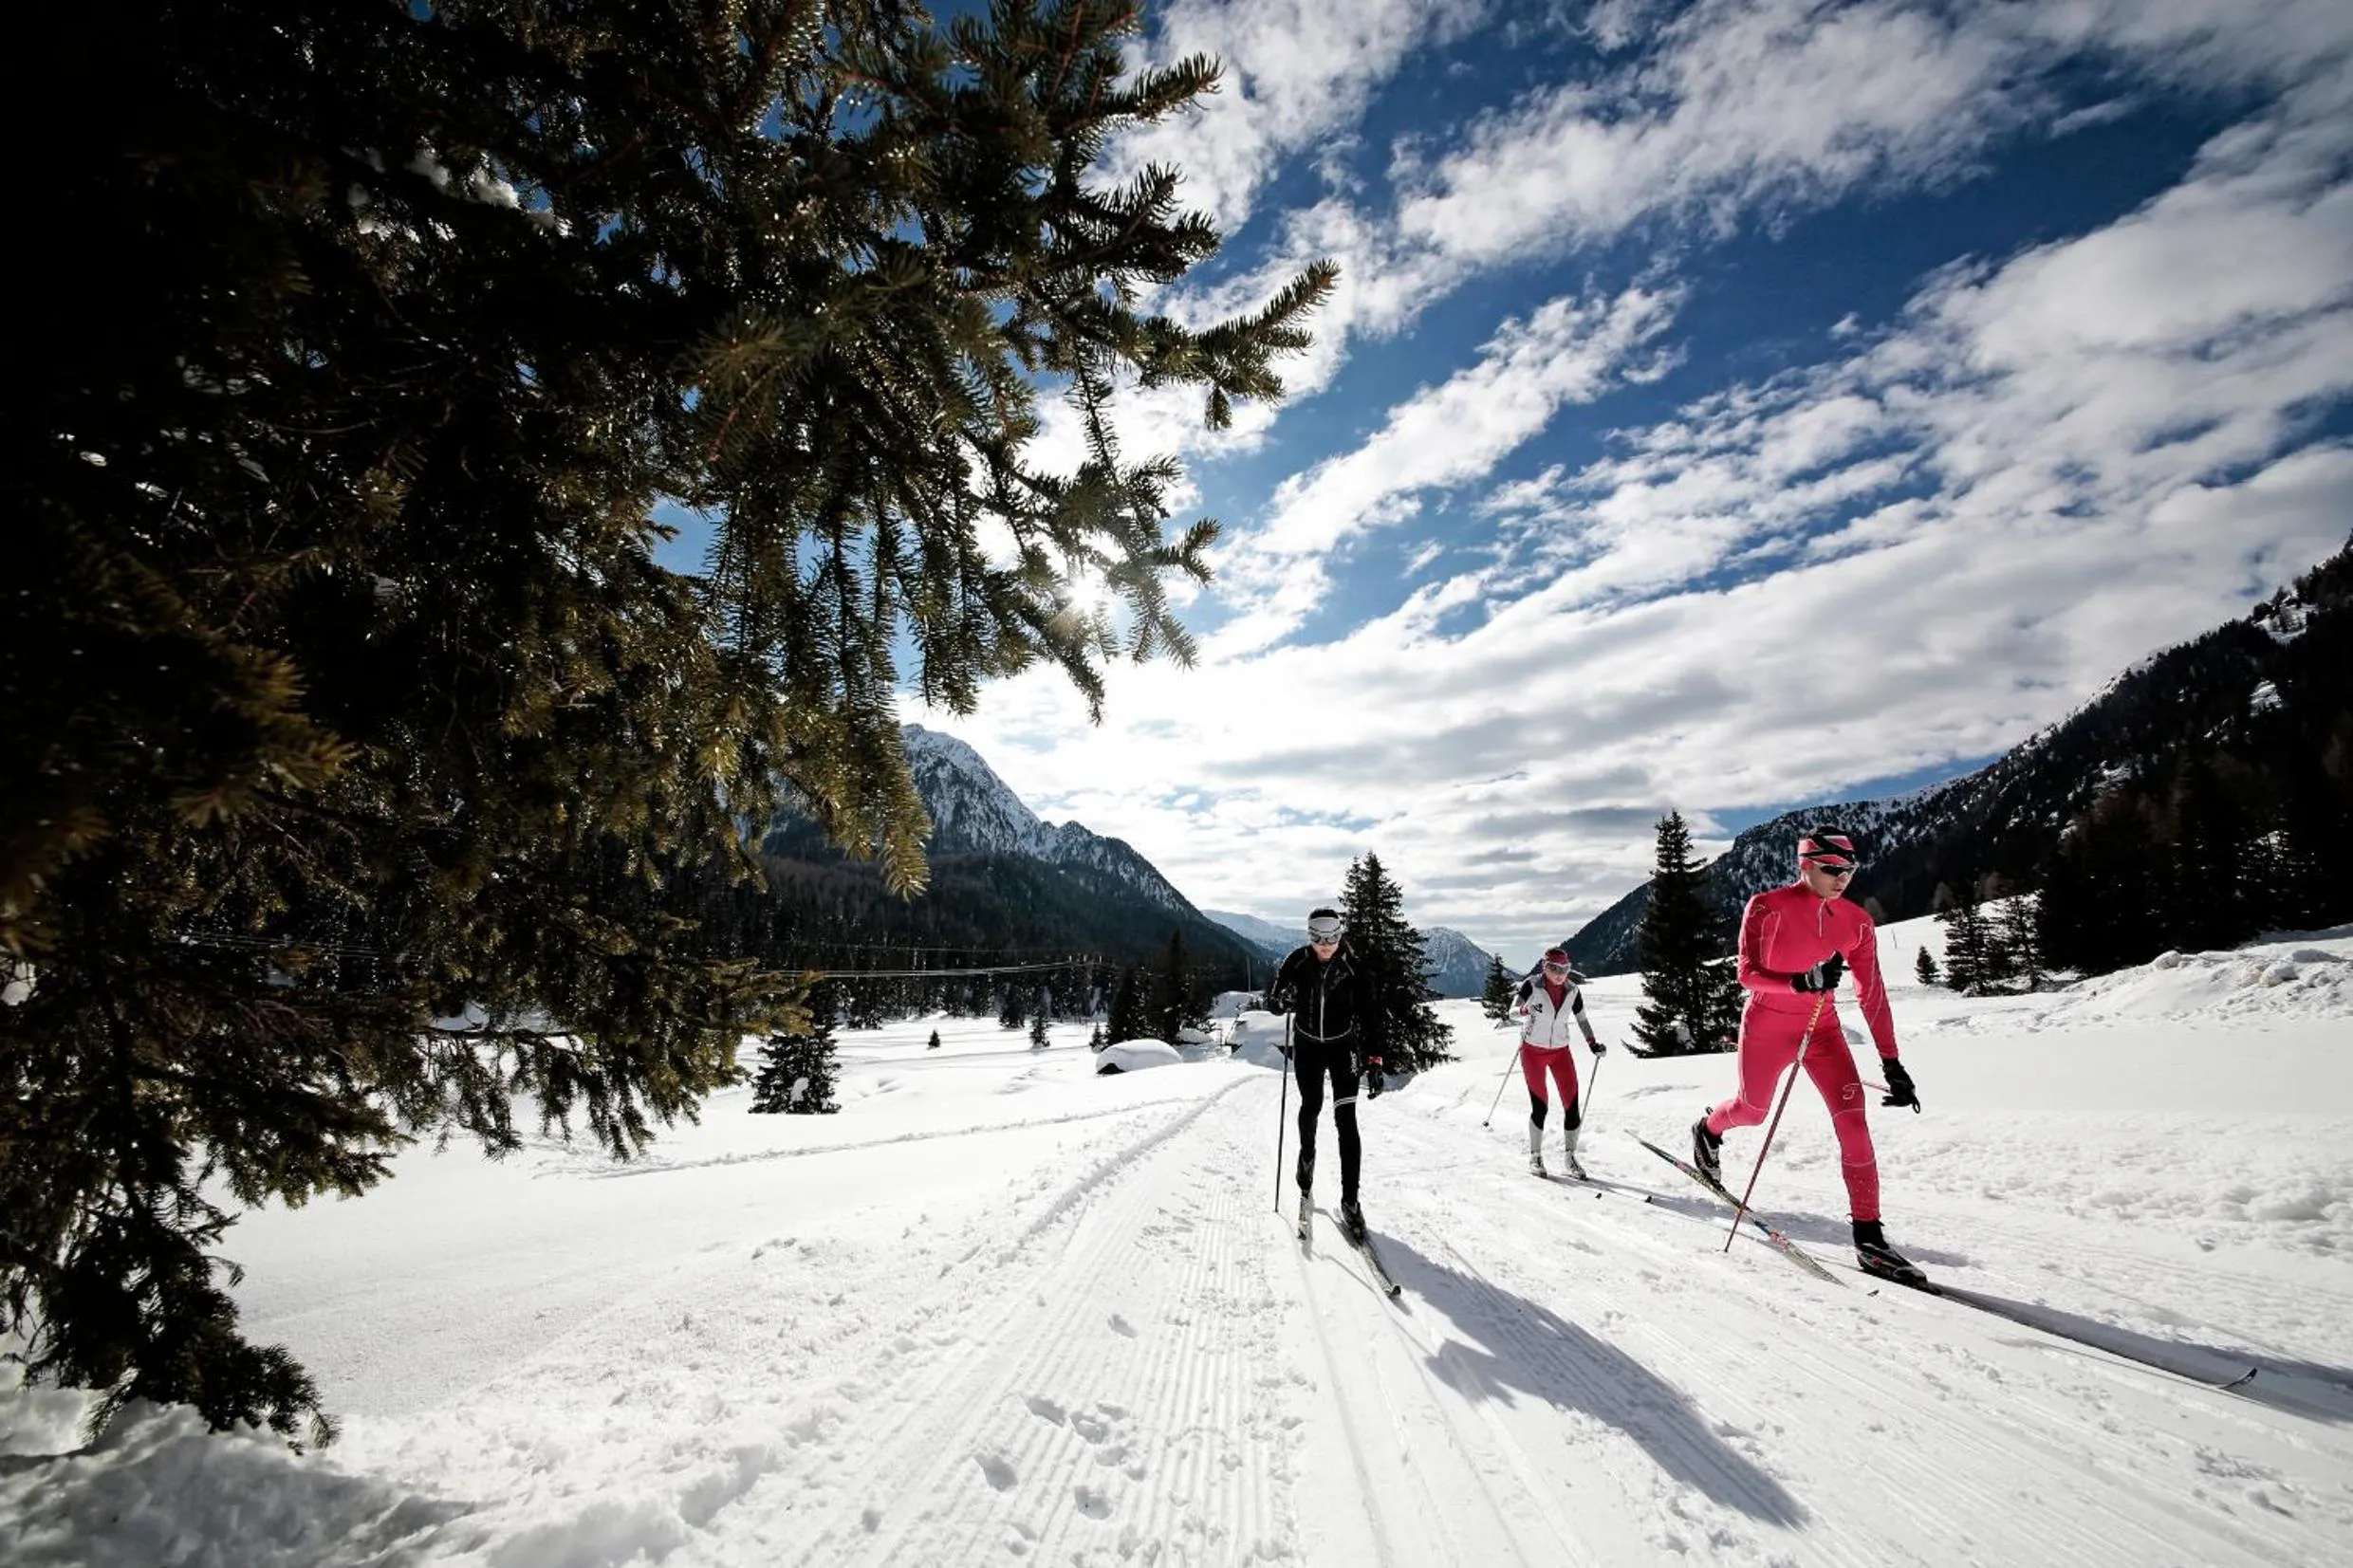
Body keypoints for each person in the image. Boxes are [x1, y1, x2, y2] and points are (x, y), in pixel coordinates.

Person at [1691, 827, 1925, 1279]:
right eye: (1831, 869)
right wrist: (1798, 982)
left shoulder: (1856, 921)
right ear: (1805, 865)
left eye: (1850, 869)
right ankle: (1708, 1130)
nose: (1842, 878)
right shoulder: (1766, 906)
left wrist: (1892, 1062)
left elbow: (1872, 993)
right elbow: (1747, 974)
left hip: (1823, 1030)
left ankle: (1870, 1240)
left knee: (1854, 1121)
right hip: (1767, 1025)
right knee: (1752, 1110)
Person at [1267, 907, 1384, 1242]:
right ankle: (1306, 1166)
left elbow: (1371, 1014)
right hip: (1307, 1046)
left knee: (1346, 1119)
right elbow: (1275, 998)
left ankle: (1350, 1200)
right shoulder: (1296, 961)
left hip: (1342, 1046)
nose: (1325, 943)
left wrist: (1375, 1059)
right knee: (1311, 1107)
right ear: (1309, 935)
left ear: (1340, 933)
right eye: (1318, 936)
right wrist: (1281, 999)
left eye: (1332, 935)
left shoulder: (1354, 968)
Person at [1513, 948, 1607, 1178]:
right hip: (1532, 1051)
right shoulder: (1532, 985)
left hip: (1560, 1052)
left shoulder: (1573, 991)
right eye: (1554, 969)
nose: (1560, 974)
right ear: (1545, 968)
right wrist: (1525, 1010)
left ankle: (1570, 1158)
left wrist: (1592, 1043)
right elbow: (1511, 1012)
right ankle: (1535, 1156)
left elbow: (1582, 1019)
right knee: (1540, 1106)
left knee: (1572, 1104)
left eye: (1565, 969)